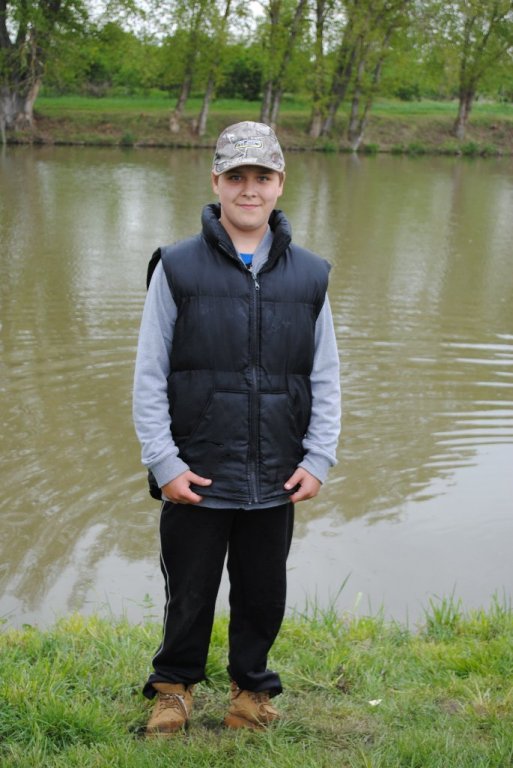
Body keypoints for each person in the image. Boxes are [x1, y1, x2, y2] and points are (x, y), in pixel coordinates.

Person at [132, 121, 341, 735]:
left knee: (262, 593)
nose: (250, 189)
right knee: (188, 592)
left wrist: (318, 457)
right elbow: (149, 373)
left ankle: (251, 692)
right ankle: (173, 689)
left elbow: (325, 375)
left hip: (277, 472)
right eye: (237, 176)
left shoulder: (310, 275)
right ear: (216, 181)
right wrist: (164, 462)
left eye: (262, 176)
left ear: (280, 183)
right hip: (195, 471)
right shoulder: (176, 267)